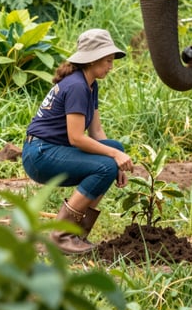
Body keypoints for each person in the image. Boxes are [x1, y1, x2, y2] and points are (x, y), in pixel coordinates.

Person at [21, 28, 134, 254]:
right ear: (92, 60)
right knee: (105, 164)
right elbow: (76, 138)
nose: (111, 66)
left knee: (115, 149)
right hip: (40, 154)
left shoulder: (90, 85)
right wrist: (113, 159)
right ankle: (61, 235)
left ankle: (77, 233)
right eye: (108, 61)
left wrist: (118, 162)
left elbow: (97, 132)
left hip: (52, 149)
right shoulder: (76, 86)